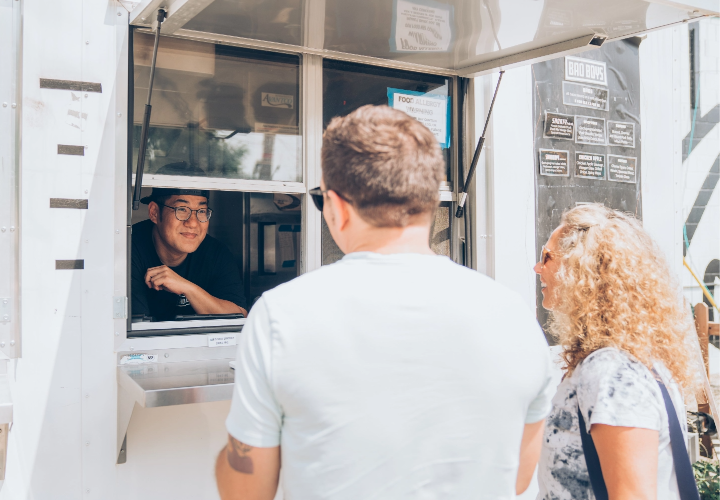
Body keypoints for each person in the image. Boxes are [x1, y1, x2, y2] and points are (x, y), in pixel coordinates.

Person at [216, 105, 555, 499]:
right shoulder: (513, 316)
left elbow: (245, 491)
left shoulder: (281, 316)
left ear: (337, 208)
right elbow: (517, 479)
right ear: (429, 203)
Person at [534, 204, 698, 500]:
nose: (537, 268)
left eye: (547, 257)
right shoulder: (636, 361)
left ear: (582, 269)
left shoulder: (611, 372)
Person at [132, 187, 247, 321]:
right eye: (181, 209)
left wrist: (188, 289)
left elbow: (239, 317)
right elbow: (133, 330)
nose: (193, 223)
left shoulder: (215, 253)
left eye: (202, 211)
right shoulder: (128, 249)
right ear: (154, 213)